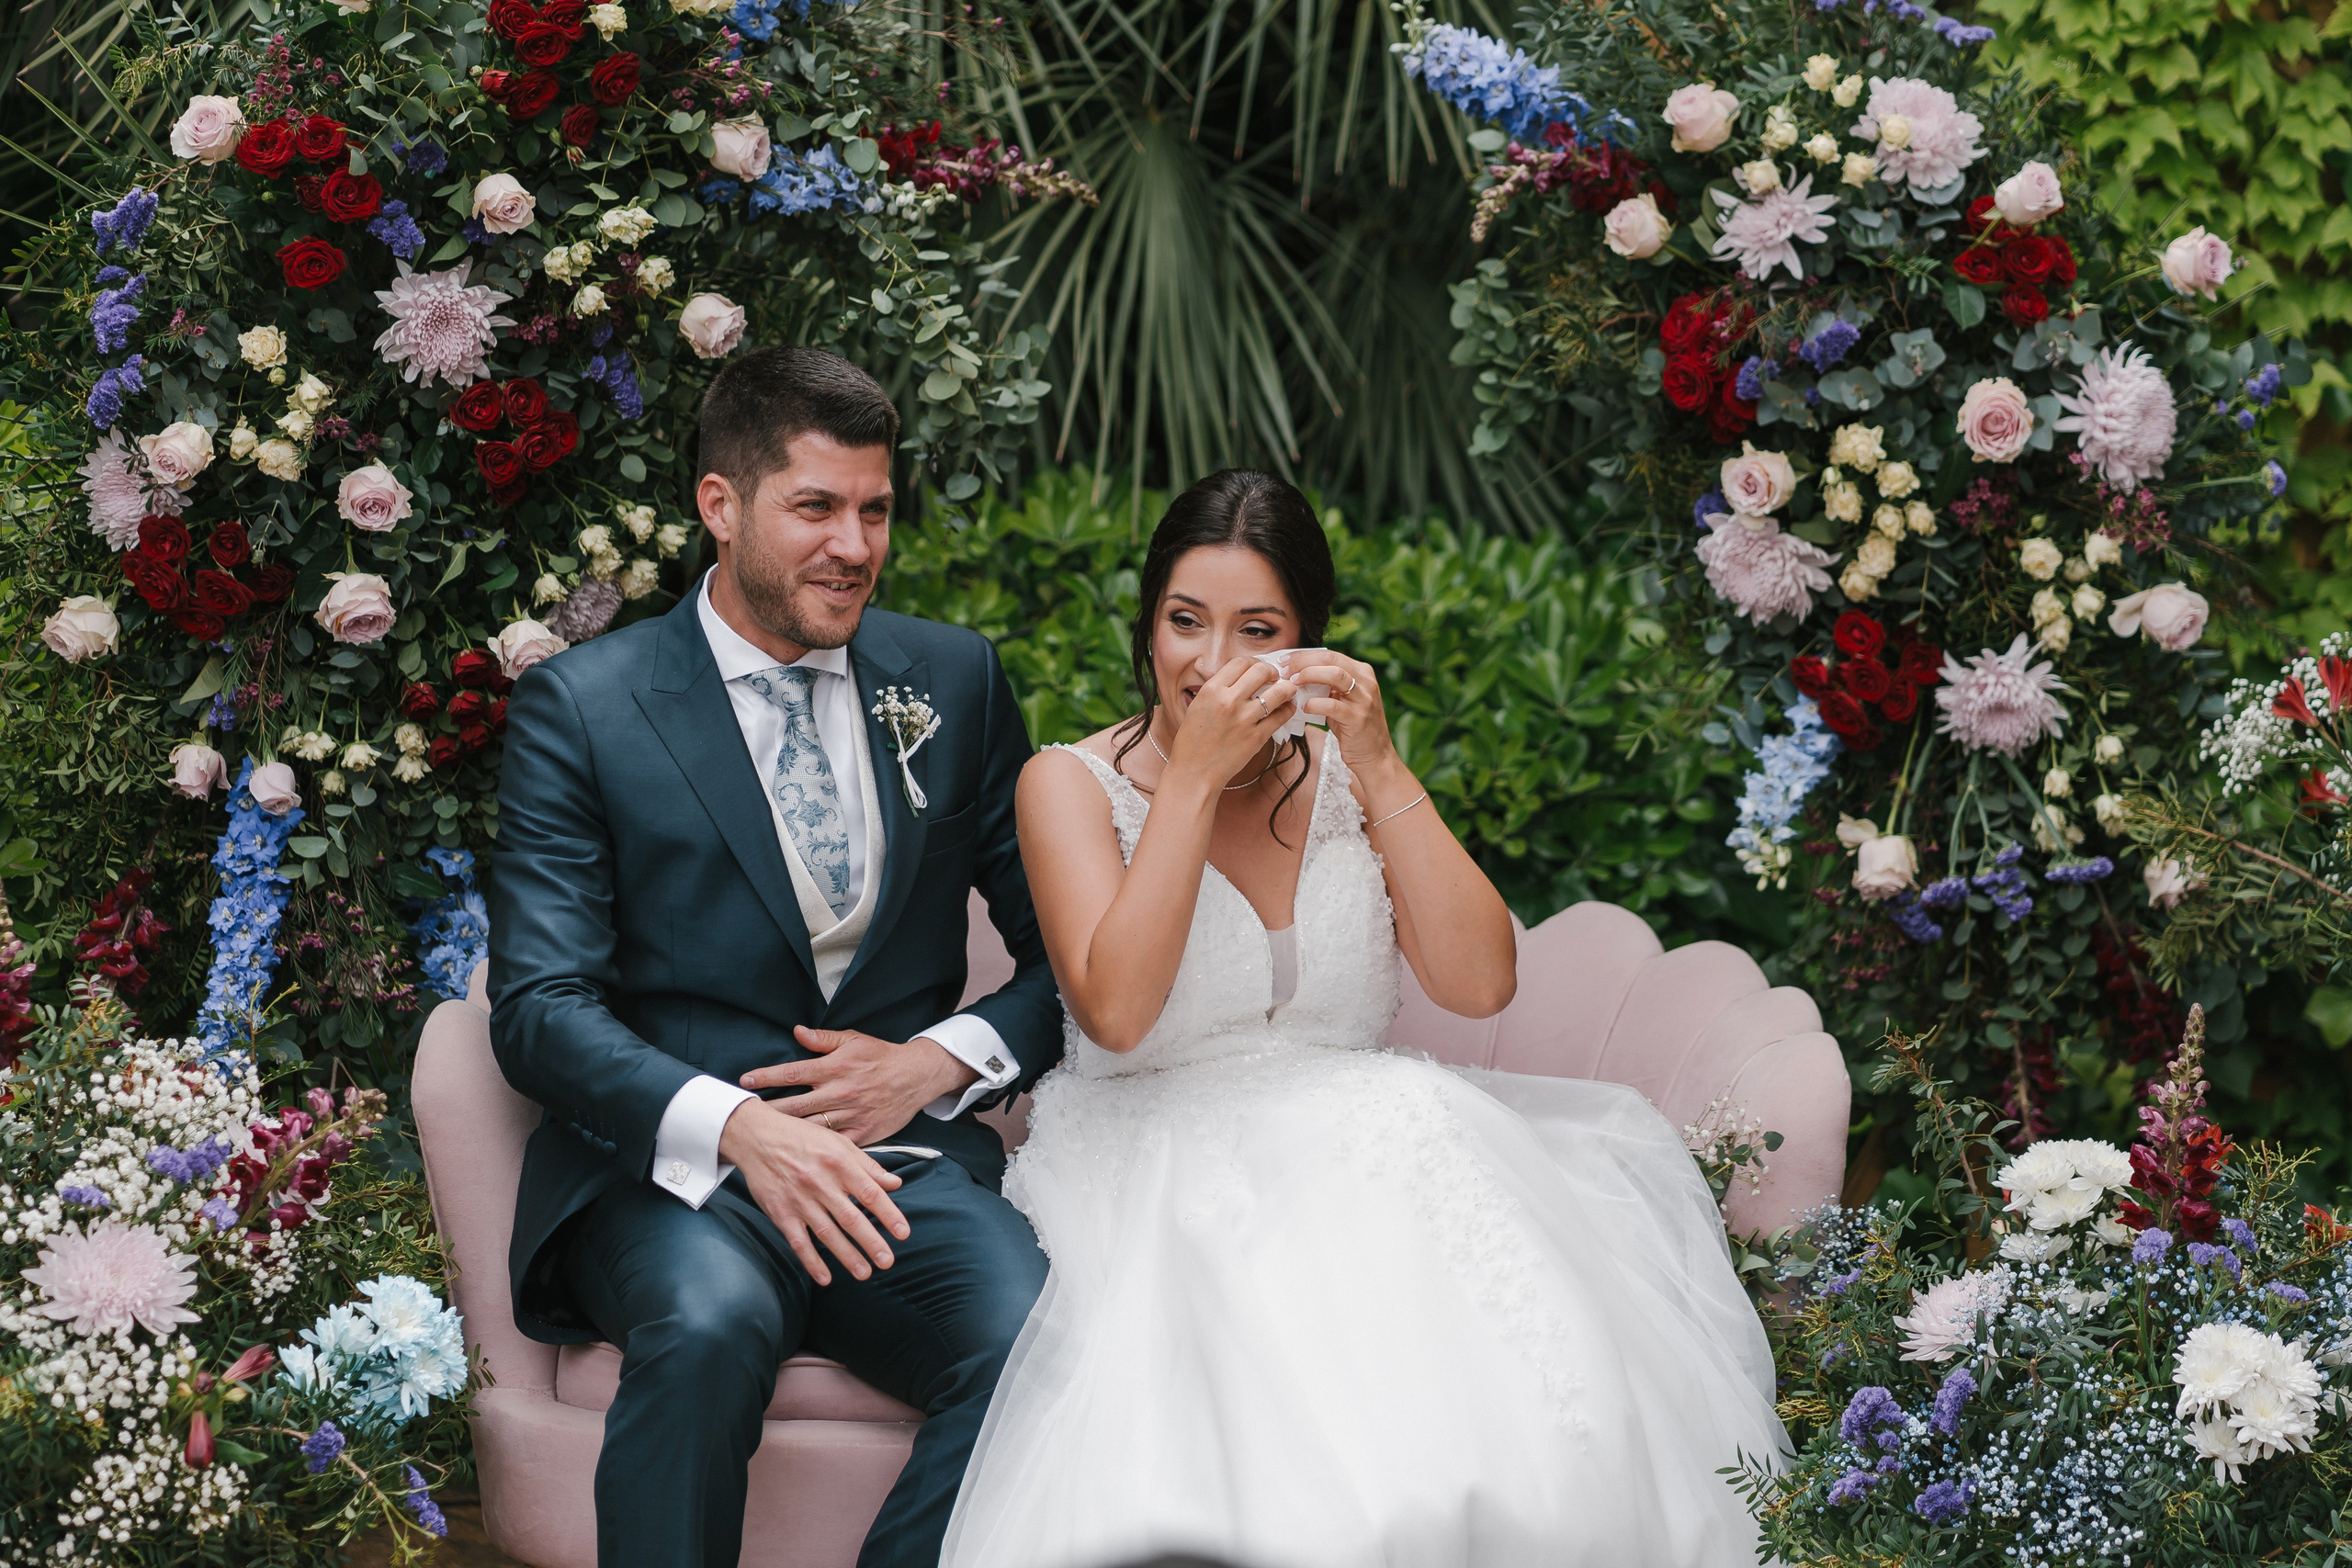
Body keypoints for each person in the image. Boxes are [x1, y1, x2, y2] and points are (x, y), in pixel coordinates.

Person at [941, 469, 1788, 1568]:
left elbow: (1481, 983)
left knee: (1474, 1293)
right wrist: (1191, 786)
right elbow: (1113, 1016)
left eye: (1256, 629)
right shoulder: (1067, 784)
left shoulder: (1338, 770)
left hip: (1374, 1138)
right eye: (1184, 621)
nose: (1208, 659)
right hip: (1155, 1152)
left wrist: (1379, 760)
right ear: (1147, 622)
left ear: (1306, 645)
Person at [486, 346, 1062, 1568]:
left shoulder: (953, 679)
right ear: (720, 504)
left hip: (896, 1166)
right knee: (707, 1323)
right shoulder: (585, 709)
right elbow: (538, 1008)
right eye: (815, 506)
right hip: (673, 1174)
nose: (853, 544)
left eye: (874, 509)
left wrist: (934, 1059)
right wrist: (740, 1129)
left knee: (1035, 1331)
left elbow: (1070, 969)